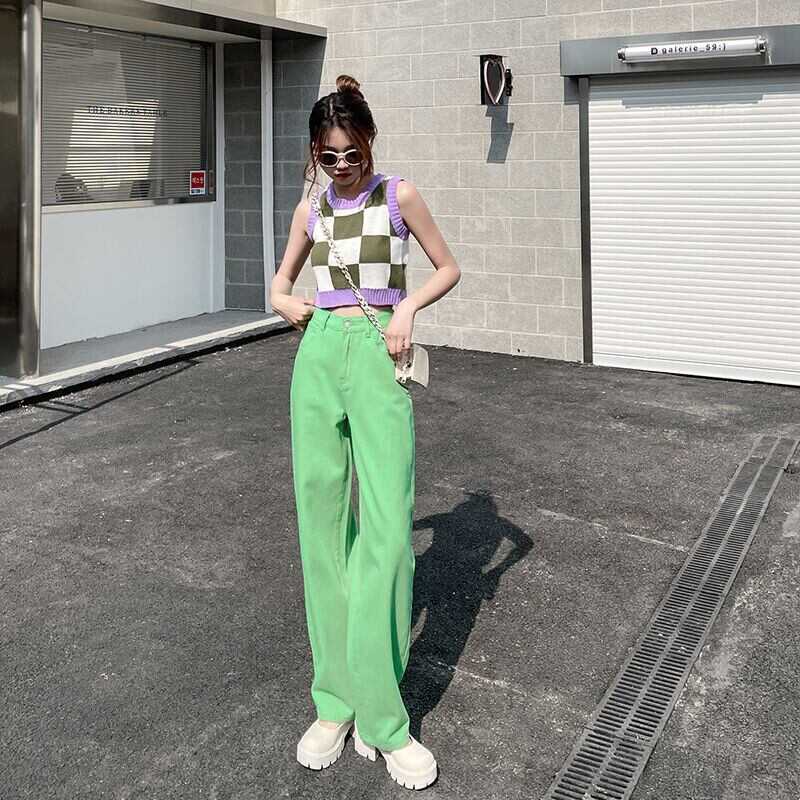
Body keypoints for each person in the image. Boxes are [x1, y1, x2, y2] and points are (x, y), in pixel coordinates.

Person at [270, 73, 461, 791]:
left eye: (352, 152)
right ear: (315, 154)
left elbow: (449, 267)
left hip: (381, 351)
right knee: (322, 532)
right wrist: (288, 304)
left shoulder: (398, 196)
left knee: (386, 534)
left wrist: (406, 309)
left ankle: (384, 720)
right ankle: (335, 703)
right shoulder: (312, 208)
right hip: (319, 355)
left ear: (370, 141)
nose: (343, 165)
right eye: (330, 156)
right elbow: (279, 283)